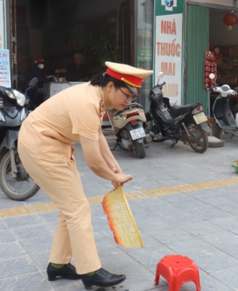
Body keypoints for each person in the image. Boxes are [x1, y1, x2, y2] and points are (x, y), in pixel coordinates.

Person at [18, 61, 153, 289]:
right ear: (110, 86)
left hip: (52, 144)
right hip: (40, 145)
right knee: (77, 208)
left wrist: (115, 167)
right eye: (128, 95)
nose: (128, 101)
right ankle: (90, 271)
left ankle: (58, 266)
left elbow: (97, 135)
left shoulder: (96, 96)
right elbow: (93, 162)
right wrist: (113, 176)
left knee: (70, 207)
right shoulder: (87, 102)